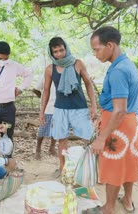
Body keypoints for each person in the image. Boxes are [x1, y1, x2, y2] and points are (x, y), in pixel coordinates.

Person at [90, 26, 138, 214]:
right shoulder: (127, 64)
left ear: (110, 45)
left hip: (118, 127)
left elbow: (119, 111)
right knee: (127, 162)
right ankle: (127, 201)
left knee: (112, 164)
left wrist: (102, 137)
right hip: (130, 125)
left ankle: (108, 207)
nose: (95, 54)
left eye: (97, 49)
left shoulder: (118, 70)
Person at [39, 37, 97, 176]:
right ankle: (62, 168)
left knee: (88, 138)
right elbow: (45, 91)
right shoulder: (49, 69)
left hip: (79, 108)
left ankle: (91, 168)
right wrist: (42, 111)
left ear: (66, 48)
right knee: (62, 140)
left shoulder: (77, 64)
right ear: (51, 53)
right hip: (60, 109)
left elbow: (88, 84)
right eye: (55, 52)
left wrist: (93, 105)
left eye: (61, 50)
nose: (59, 54)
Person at [32, 73, 57, 160]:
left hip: (59, 108)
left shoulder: (64, 74)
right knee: (42, 130)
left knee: (56, 130)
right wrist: (42, 97)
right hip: (47, 107)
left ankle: (52, 148)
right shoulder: (46, 74)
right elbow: (35, 89)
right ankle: (38, 149)